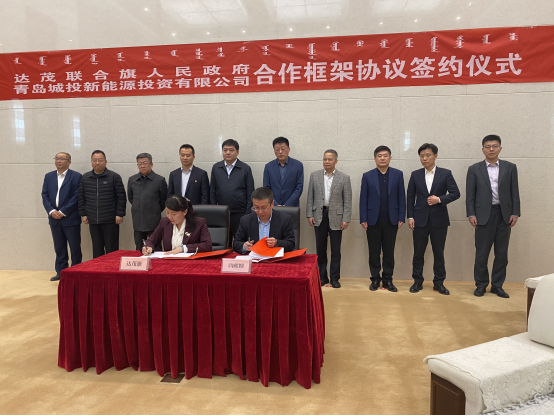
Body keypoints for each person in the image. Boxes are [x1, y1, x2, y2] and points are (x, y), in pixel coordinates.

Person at [466, 135, 520, 299]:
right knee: (481, 254)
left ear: (500, 148)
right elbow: (470, 194)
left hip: (504, 215)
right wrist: (471, 214)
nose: (491, 149)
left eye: (494, 146)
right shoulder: (474, 169)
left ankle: (497, 286)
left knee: (502, 254)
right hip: (483, 215)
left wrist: (515, 212)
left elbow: (514, 192)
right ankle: (481, 285)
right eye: (487, 146)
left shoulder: (510, 167)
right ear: (483, 149)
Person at [407, 144, 460, 296]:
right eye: (422, 156)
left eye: (428, 155)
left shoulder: (445, 173)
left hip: (439, 219)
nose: (425, 158)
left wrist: (440, 199)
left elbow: (456, 193)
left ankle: (439, 283)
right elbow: (410, 197)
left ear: (435, 156)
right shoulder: (415, 174)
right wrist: (410, 216)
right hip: (419, 219)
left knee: (439, 253)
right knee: (418, 252)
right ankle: (417, 282)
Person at [360, 146, 405, 293]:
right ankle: (375, 279)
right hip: (372, 220)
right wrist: (363, 218)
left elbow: (401, 197)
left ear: (390, 158)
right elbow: (363, 199)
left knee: (389, 252)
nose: (382, 158)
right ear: (375, 159)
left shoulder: (398, 174)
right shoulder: (367, 176)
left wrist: (401, 216)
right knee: (374, 252)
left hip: (392, 220)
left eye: (385, 155)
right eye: (379, 156)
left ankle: (388, 280)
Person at [307, 150, 352, 289]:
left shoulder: (344, 177)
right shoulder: (314, 176)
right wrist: (310, 214)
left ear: (335, 161)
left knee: (335, 250)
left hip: (337, 217)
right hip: (319, 215)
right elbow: (310, 196)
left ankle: (335, 278)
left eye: (330, 159)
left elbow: (347, 200)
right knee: (320, 249)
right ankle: (322, 277)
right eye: (325, 159)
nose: (327, 161)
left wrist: (346, 218)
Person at [41, 152, 83, 282]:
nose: (58, 161)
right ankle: (61, 272)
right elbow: (44, 195)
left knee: (74, 247)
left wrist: (63, 211)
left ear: (69, 162)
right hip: (54, 218)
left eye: (62, 159)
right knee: (59, 247)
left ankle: (75, 272)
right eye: (57, 158)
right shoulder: (48, 176)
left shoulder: (76, 176)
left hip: (70, 218)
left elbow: (77, 196)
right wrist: (51, 211)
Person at [78, 150, 127, 259]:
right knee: (97, 250)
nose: (97, 163)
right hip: (93, 220)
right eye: (94, 160)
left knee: (112, 249)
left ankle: (112, 268)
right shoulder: (85, 177)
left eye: (100, 160)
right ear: (91, 162)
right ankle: (98, 269)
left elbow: (121, 197)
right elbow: (81, 197)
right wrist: (83, 214)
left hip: (110, 220)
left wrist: (119, 214)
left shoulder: (114, 177)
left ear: (105, 161)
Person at [210, 139, 255, 247]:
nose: (228, 152)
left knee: (241, 243)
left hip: (240, 213)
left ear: (237, 152)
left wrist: (247, 213)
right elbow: (212, 191)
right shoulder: (216, 168)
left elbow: (250, 192)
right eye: (225, 150)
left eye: (231, 150)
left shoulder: (245, 168)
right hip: (222, 213)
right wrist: (214, 210)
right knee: (223, 244)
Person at [233, 187, 296, 254]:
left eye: (264, 208)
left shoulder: (285, 219)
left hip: (275, 258)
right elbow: (236, 243)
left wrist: (276, 243)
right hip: (255, 258)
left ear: (272, 204)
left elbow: (291, 244)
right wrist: (244, 246)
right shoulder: (246, 220)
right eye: (256, 208)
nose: (260, 212)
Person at [142, 196, 212, 255]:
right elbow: (151, 240)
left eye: (174, 214)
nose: (169, 217)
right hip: (169, 262)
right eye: (167, 212)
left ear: (184, 212)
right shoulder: (164, 222)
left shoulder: (199, 223)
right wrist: (148, 247)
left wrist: (183, 248)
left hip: (191, 262)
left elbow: (207, 245)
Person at [127, 153, 168, 251]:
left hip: (154, 220)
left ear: (151, 164)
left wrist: (154, 209)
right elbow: (131, 198)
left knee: (156, 247)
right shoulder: (132, 180)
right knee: (139, 248)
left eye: (145, 163)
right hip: (138, 220)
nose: (142, 166)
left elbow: (163, 200)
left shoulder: (160, 180)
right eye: (140, 164)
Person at [263, 137, 304, 207]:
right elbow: (266, 188)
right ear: (274, 151)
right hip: (273, 206)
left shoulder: (298, 165)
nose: (280, 152)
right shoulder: (268, 166)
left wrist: (287, 205)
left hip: (292, 206)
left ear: (289, 149)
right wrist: (275, 204)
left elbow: (299, 188)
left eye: (283, 149)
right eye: (277, 149)